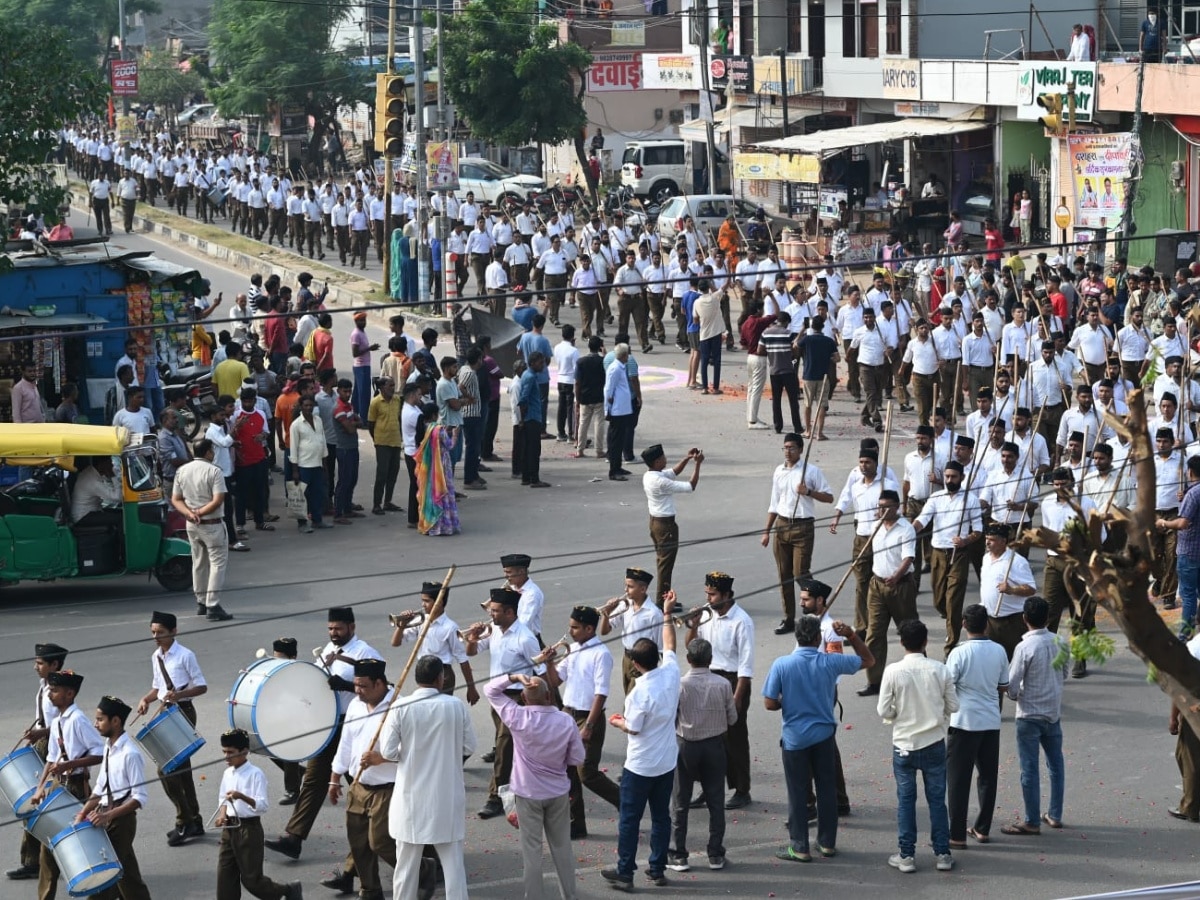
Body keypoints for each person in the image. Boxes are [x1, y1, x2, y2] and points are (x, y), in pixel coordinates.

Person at [267, 606, 380, 872]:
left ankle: (392, 834)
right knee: (314, 780)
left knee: (364, 786)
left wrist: (347, 686)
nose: (334, 633)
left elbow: (380, 687)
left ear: (352, 627)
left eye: (338, 628)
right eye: (330, 629)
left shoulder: (365, 653)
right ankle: (293, 838)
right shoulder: (327, 653)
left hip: (353, 726)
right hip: (328, 726)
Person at [765, 614, 873, 862]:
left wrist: (787, 701)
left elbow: (770, 703)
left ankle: (799, 847)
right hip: (824, 736)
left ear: (797, 637)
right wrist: (851, 635)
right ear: (818, 639)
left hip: (794, 739)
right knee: (826, 790)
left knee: (798, 792)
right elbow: (869, 659)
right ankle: (826, 844)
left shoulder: (782, 665)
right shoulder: (831, 663)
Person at [381, 655, 476, 900]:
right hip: (445, 798)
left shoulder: (400, 707)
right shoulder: (455, 706)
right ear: (440, 678)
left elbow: (388, 752)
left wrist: (411, 752)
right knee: (454, 866)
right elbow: (469, 746)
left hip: (410, 800)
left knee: (405, 868)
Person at [485, 668, 584, 900]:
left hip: (527, 794)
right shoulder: (566, 720)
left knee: (532, 854)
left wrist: (514, 678)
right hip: (558, 792)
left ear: (523, 699)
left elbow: (489, 689)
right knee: (562, 850)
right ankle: (569, 896)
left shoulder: (518, 717)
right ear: (549, 696)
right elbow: (577, 759)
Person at [602, 598, 680, 891]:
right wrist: (668, 614)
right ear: (657, 657)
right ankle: (657, 868)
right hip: (666, 761)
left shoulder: (639, 692)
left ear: (635, 664)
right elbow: (670, 642)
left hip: (640, 765)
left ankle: (625, 872)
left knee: (630, 820)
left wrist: (617, 722)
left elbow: (633, 728)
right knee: (661, 817)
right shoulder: (671, 671)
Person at [877, 619, 959, 874]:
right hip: (934, 742)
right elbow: (953, 706)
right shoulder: (940, 669)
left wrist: (894, 716)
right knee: (937, 800)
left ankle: (906, 856)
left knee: (906, 801)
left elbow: (883, 709)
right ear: (925, 642)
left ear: (902, 642)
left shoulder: (893, 671)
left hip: (904, 744)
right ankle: (943, 853)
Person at [464, 587, 546, 820]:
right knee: (510, 747)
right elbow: (471, 652)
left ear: (510, 612)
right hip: (496, 696)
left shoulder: (526, 638)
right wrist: (472, 638)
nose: (492, 615)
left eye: (496, 611)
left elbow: (540, 671)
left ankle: (495, 798)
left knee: (503, 746)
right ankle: (524, 787)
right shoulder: (495, 631)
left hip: (515, 699)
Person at [540, 605, 620, 839]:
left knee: (587, 772)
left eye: (575, 627)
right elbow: (555, 681)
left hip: (587, 716)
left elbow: (601, 693)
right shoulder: (573, 649)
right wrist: (549, 663)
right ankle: (576, 824)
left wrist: (589, 726)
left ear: (589, 628)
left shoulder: (601, 654)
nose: (570, 631)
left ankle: (623, 800)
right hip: (568, 713)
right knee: (567, 772)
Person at [30, 669, 104, 899]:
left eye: (55, 690)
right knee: (48, 843)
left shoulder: (78, 719)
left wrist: (71, 763)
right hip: (57, 785)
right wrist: (41, 787)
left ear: (69, 693)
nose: (50, 694)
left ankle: (102, 888)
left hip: (75, 786)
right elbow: (52, 758)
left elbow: (100, 753)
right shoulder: (58, 720)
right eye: (50, 689)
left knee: (81, 842)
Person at [686, 572, 754, 810]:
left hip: (733, 680)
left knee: (734, 739)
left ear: (726, 595)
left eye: (712, 595)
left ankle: (742, 790)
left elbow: (746, 666)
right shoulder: (707, 615)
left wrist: (736, 699)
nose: (709, 599)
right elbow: (691, 647)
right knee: (709, 737)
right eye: (707, 594)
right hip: (709, 676)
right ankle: (709, 787)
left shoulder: (741, 621)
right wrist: (694, 625)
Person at [329, 658, 396, 900]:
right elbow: (346, 743)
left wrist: (383, 758)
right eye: (355, 685)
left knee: (379, 842)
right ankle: (370, 889)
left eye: (362, 686)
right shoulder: (356, 707)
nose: (357, 691)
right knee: (358, 843)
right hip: (358, 784)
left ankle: (421, 869)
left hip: (388, 787)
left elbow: (415, 749)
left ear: (380, 683)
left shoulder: (399, 706)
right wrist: (335, 778)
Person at [945, 604, 1010, 848]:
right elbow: (1003, 685)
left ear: (963, 624)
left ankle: (957, 834)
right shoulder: (999, 651)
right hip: (990, 721)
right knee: (987, 777)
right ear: (987, 624)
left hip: (963, 722)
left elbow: (948, 685)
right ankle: (982, 828)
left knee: (958, 780)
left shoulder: (959, 653)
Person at [75, 695, 152, 900]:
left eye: (100, 719)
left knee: (104, 879)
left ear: (115, 721)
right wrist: (82, 813)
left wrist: (109, 815)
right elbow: (100, 788)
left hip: (122, 822)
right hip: (105, 816)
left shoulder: (130, 754)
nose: (95, 724)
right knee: (129, 878)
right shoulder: (109, 747)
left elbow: (139, 798)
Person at [1002, 597, 1068, 836]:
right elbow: (1065, 672)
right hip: (1052, 712)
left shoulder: (1024, 648)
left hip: (1029, 714)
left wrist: (1015, 695)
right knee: (1056, 765)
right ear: (1048, 618)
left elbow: (1012, 684)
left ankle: (1031, 820)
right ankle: (1055, 814)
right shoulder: (1060, 642)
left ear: (1024, 619)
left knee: (1029, 769)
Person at [214, 728, 303, 900]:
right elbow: (222, 798)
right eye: (224, 752)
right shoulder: (227, 773)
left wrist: (242, 796)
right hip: (229, 828)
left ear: (245, 751)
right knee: (225, 876)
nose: (226, 756)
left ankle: (287, 890)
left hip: (249, 829)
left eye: (230, 752)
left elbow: (262, 806)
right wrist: (222, 815)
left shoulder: (255, 774)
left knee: (251, 880)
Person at [763, 432, 834, 634]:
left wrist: (808, 492)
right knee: (784, 575)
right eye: (785, 447)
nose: (788, 451)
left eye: (792, 448)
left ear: (801, 450)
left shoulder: (811, 471)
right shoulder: (779, 471)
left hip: (803, 526)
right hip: (782, 525)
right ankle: (788, 618)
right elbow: (774, 503)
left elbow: (829, 497)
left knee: (800, 573)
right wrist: (767, 531)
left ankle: (816, 606)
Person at [860, 489, 918, 697]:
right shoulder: (876, 526)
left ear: (897, 507)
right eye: (879, 507)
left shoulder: (906, 529)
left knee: (910, 632)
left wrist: (896, 575)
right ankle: (874, 680)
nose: (881, 511)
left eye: (886, 507)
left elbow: (908, 558)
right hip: (877, 586)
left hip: (900, 586)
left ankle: (919, 676)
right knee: (874, 633)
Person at [171, 438, 232, 620]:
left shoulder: (182, 470)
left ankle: (201, 602)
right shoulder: (214, 471)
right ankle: (213, 604)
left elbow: (176, 499)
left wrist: (190, 514)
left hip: (192, 525)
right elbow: (218, 499)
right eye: (212, 451)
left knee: (198, 563)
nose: (213, 454)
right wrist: (199, 512)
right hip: (211, 524)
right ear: (207, 453)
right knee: (217, 565)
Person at [641, 443, 703, 606]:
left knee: (664, 563)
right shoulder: (660, 482)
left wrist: (687, 458)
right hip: (665, 526)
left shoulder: (651, 475)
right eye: (663, 458)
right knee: (665, 566)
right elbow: (691, 486)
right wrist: (698, 464)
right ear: (656, 462)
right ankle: (663, 603)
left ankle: (666, 598)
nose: (665, 459)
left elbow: (674, 472)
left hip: (656, 523)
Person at [1157, 454, 1200, 638]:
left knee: (1188, 595)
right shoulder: (1191, 493)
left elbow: (1183, 523)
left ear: (1190, 472)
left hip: (1189, 552)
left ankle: (1184, 635)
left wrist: (1164, 523)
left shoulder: (1193, 493)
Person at [290, 394, 330, 532]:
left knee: (317, 494)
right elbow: (293, 448)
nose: (308, 408)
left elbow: (322, 441)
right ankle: (302, 523)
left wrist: (324, 463)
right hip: (304, 465)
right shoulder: (296, 425)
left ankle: (317, 520)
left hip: (317, 464)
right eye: (306, 405)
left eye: (310, 405)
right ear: (301, 407)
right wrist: (295, 470)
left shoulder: (318, 420)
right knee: (302, 496)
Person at [415, 416, 460, 536]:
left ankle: (431, 524)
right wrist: (455, 435)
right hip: (441, 465)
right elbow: (449, 445)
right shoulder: (438, 429)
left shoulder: (427, 428)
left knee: (431, 492)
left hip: (431, 465)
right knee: (443, 492)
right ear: (434, 415)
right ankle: (444, 525)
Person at [367, 376, 403, 516]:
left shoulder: (397, 400)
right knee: (382, 473)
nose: (393, 388)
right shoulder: (375, 402)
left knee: (393, 472)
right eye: (390, 385)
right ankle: (377, 504)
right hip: (382, 442)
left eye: (393, 385)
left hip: (395, 440)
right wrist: (376, 439)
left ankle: (388, 501)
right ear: (382, 388)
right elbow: (371, 423)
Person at [518, 351, 551, 488]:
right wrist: (523, 419)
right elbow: (523, 399)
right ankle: (534, 478)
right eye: (540, 362)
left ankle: (526, 476)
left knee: (528, 449)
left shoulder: (529, 375)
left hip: (531, 417)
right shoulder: (530, 377)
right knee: (533, 449)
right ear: (532, 363)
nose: (542, 365)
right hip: (532, 417)